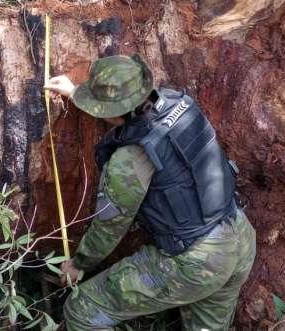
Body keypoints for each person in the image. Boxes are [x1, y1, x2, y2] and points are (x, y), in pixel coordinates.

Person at [44, 54, 256, 331]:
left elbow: (110, 225)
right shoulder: (179, 103)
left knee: (83, 310)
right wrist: (74, 93)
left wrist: (80, 263)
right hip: (239, 237)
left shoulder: (130, 159)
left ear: (110, 111)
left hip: (196, 263)